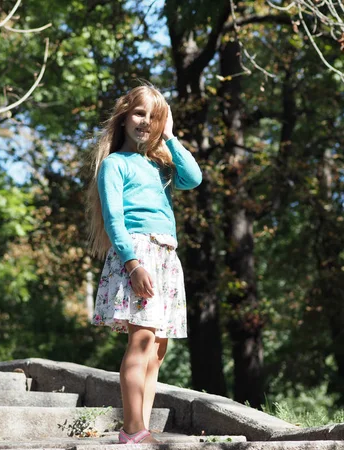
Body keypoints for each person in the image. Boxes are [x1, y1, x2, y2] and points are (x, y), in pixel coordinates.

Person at [86, 85, 202, 444]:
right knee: (141, 341)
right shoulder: (114, 164)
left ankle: (140, 429)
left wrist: (169, 135)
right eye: (139, 113)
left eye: (153, 117)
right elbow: (114, 220)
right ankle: (133, 430)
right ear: (124, 115)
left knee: (158, 348)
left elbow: (193, 178)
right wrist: (133, 264)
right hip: (138, 254)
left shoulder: (160, 165)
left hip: (166, 255)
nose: (145, 122)